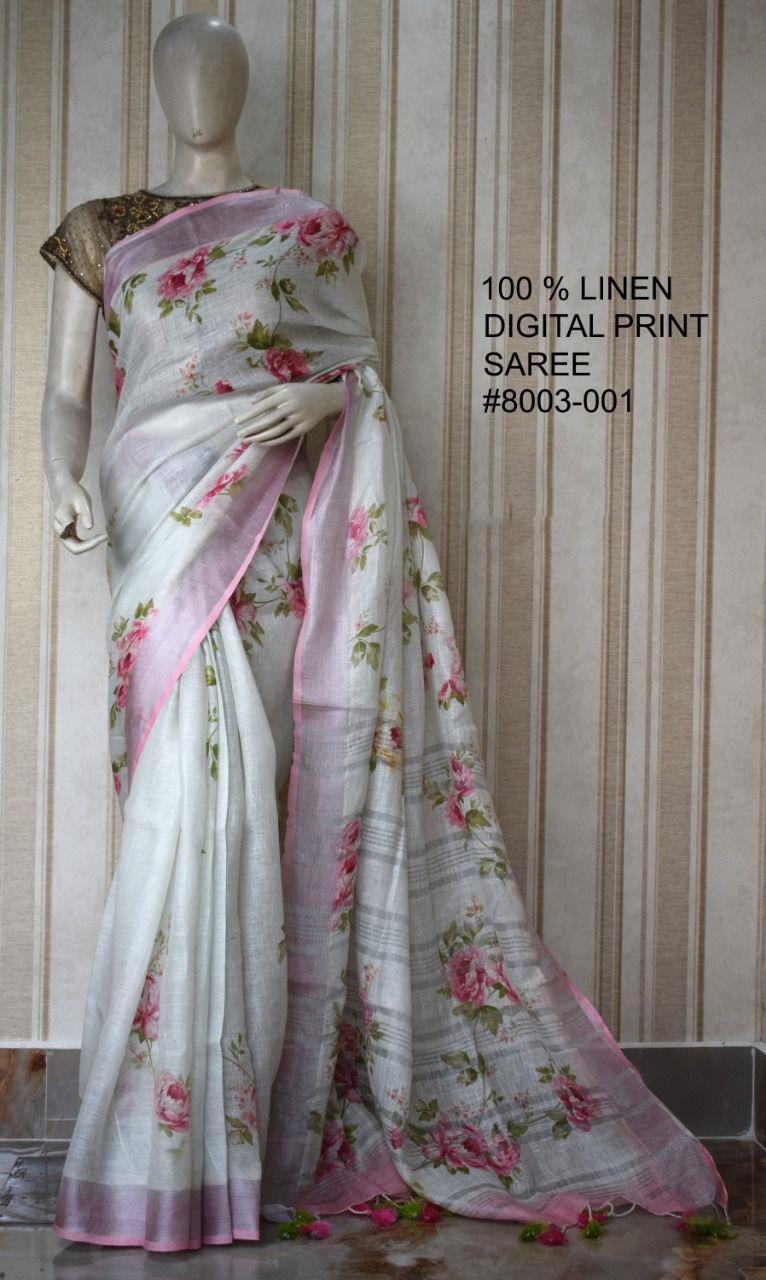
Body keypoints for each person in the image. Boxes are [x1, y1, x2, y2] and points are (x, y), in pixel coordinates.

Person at [37, 12, 728, 1255]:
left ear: (240, 88)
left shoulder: (310, 229)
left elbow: (356, 373)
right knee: (177, 807)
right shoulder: (98, 228)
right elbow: (66, 392)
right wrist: (61, 475)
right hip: (156, 524)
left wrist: (324, 393)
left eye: (218, 71)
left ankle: (234, 1147)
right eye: (181, 70)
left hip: (268, 536)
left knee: (250, 808)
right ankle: (152, 1143)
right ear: (158, 85)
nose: (200, 91)